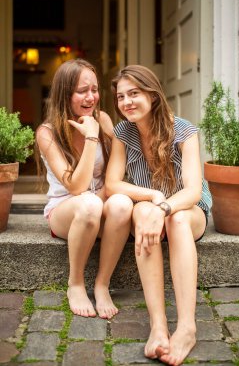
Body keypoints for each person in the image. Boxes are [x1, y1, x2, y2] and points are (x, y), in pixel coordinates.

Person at [105, 65, 212, 365]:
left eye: (134, 93)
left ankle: (187, 328)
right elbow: (113, 183)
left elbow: (192, 191)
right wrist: (152, 199)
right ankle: (159, 326)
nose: (126, 102)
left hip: (185, 210)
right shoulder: (123, 132)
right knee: (140, 213)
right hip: (150, 204)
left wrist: (164, 208)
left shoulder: (184, 130)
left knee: (175, 219)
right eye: (121, 96)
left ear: (152, 95)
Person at [36, 58, 133, 319]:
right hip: (66, 211)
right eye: (82, 91)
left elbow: (117, 169)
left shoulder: (102, 119)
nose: (91, 97)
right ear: (64, 93)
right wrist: (91, 137)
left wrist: (99, 128)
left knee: (122, 204)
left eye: (95, 89)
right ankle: (76, 283)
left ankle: (102, 284)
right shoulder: (47, 133)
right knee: (89, 204)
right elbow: (76, 187)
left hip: (100, 203)